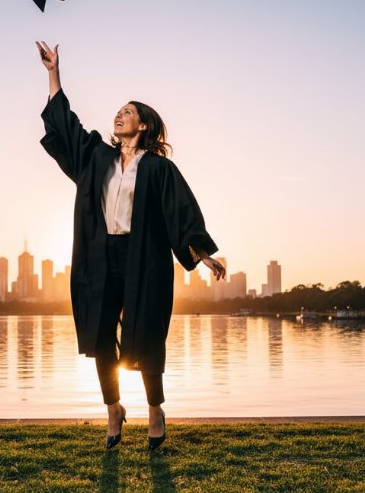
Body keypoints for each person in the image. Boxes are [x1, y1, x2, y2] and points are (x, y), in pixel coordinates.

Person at [36, 40, 226, 451]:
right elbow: (66, 127)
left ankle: (155, 409)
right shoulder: (96, 157)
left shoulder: (158, 168)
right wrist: (53, 73)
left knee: (145, 337)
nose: (119, 114)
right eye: (118, 111)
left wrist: (203, 254)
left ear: (143, 126)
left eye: (129, 112)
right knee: (102, 335)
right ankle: (114, 409)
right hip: (100, 258)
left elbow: (181, 212)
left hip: (145, 260)